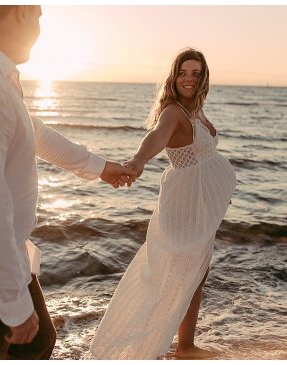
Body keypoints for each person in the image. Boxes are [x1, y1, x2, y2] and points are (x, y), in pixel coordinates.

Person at [0, 5, 137, 360]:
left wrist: (99, 167)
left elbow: (35, 133)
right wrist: (13, 305)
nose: (39, 29)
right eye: (38, 17)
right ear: (19, 13)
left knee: (40, 342)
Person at [90, 48, 237, 359]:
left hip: (199, 207)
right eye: (184, 73)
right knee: (174, 274)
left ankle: (185, 344)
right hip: (184, 203)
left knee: (196, 272)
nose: (189, 79)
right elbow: (156, 137)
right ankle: (152, 342)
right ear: (174, 76)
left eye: (196, 74)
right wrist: (137, 160)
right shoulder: (174, 112)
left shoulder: (194, 109)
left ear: (203, 78)